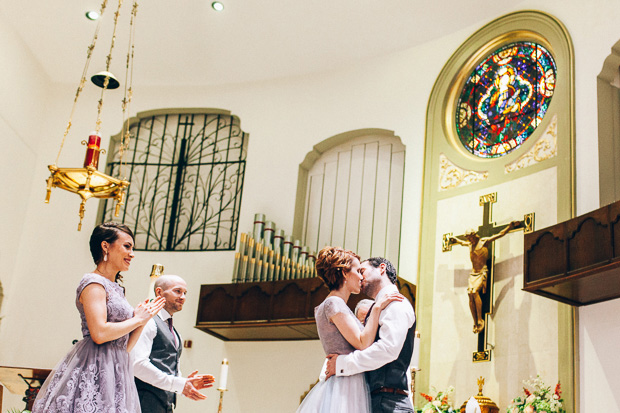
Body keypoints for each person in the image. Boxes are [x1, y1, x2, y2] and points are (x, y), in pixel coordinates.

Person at [32, 222, 166, 413]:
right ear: (105, 246)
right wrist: (136, 320)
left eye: (132, 248)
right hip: (93, 369)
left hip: (117, 370)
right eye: (127, 246)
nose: (132, 254)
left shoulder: (117, 288)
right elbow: (100, 333)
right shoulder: (93, 283)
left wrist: (143, 320)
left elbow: (124, 346)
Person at [297, 247, 403, 413]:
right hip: (344, 386)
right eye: (358, 271)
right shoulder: (334, 303)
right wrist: (376, 309)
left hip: (349, 379)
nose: (362, 277)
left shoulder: (337, 304)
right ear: (345, 273)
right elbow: (362, 343)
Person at [326, 256, 416, 413]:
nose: (360, 277)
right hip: (379, 400)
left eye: (362, 271)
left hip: (389, 402)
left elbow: (388, 349)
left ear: (381, 269)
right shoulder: (379, 307)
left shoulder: (396, 303)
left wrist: (342, 364)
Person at [133, 274, 215, 413]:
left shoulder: (175, 332)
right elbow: (137, 364)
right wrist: (178, 383)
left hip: (165, 405)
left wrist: (184, 384)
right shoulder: (148, 322)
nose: (183, 297)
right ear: (159, 292)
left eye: (185, 293)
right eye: (177, 291)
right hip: (143, 403)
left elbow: (166, 366)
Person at [449, 220, 519, 333]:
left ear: (474, 235)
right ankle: (475, 321)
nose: (470, 240)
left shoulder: (484, 242)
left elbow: (500, 234)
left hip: (482, 272)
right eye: (468, 239)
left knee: (475, 291)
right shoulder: (469, 245)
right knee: (470, 293)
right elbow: (462, 243)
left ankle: (480, 320)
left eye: (471, 238)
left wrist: (510, 227)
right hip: (473, 273)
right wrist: (455, 240)